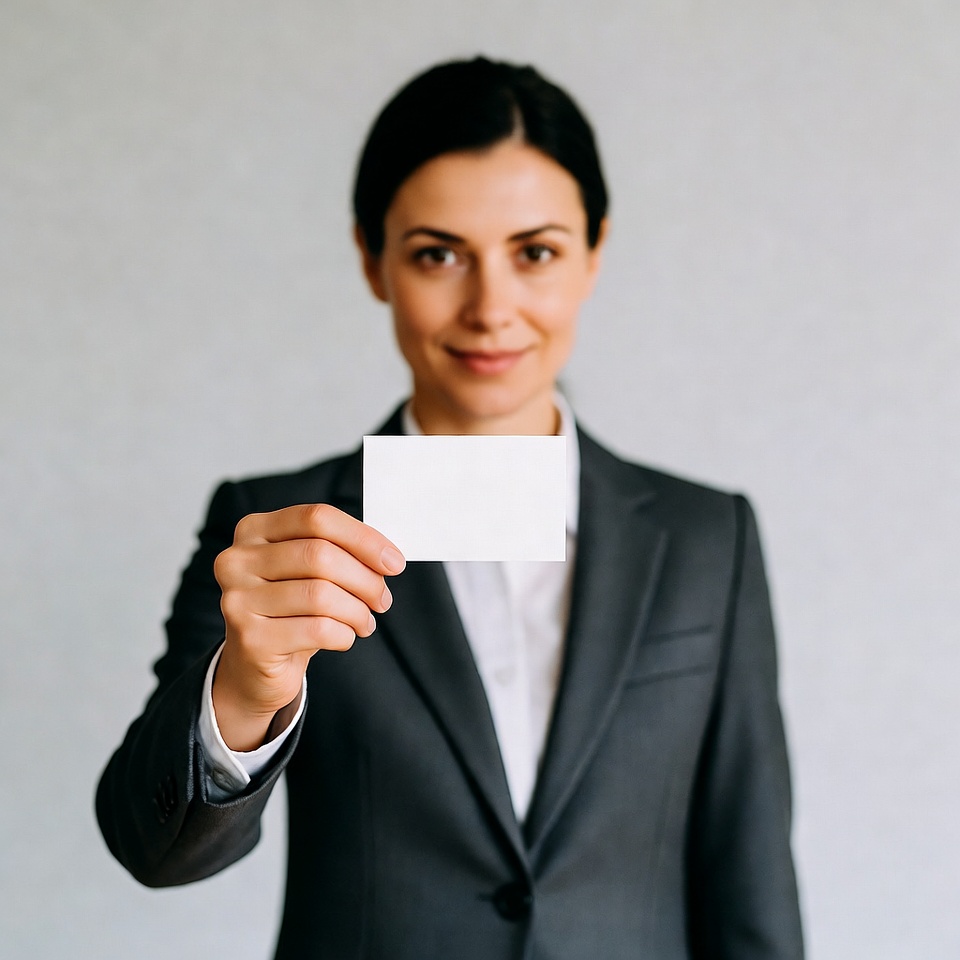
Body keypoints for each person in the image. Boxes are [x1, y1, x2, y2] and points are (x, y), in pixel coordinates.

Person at [96, 57, 804, 959]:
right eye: (438, 255)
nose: (489, 308)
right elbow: (152, 849)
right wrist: (243, 690)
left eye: (535, 253)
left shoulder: (708, 539)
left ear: (594, 252)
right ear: (373, 259)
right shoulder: (274, 532)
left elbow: (750, 879)